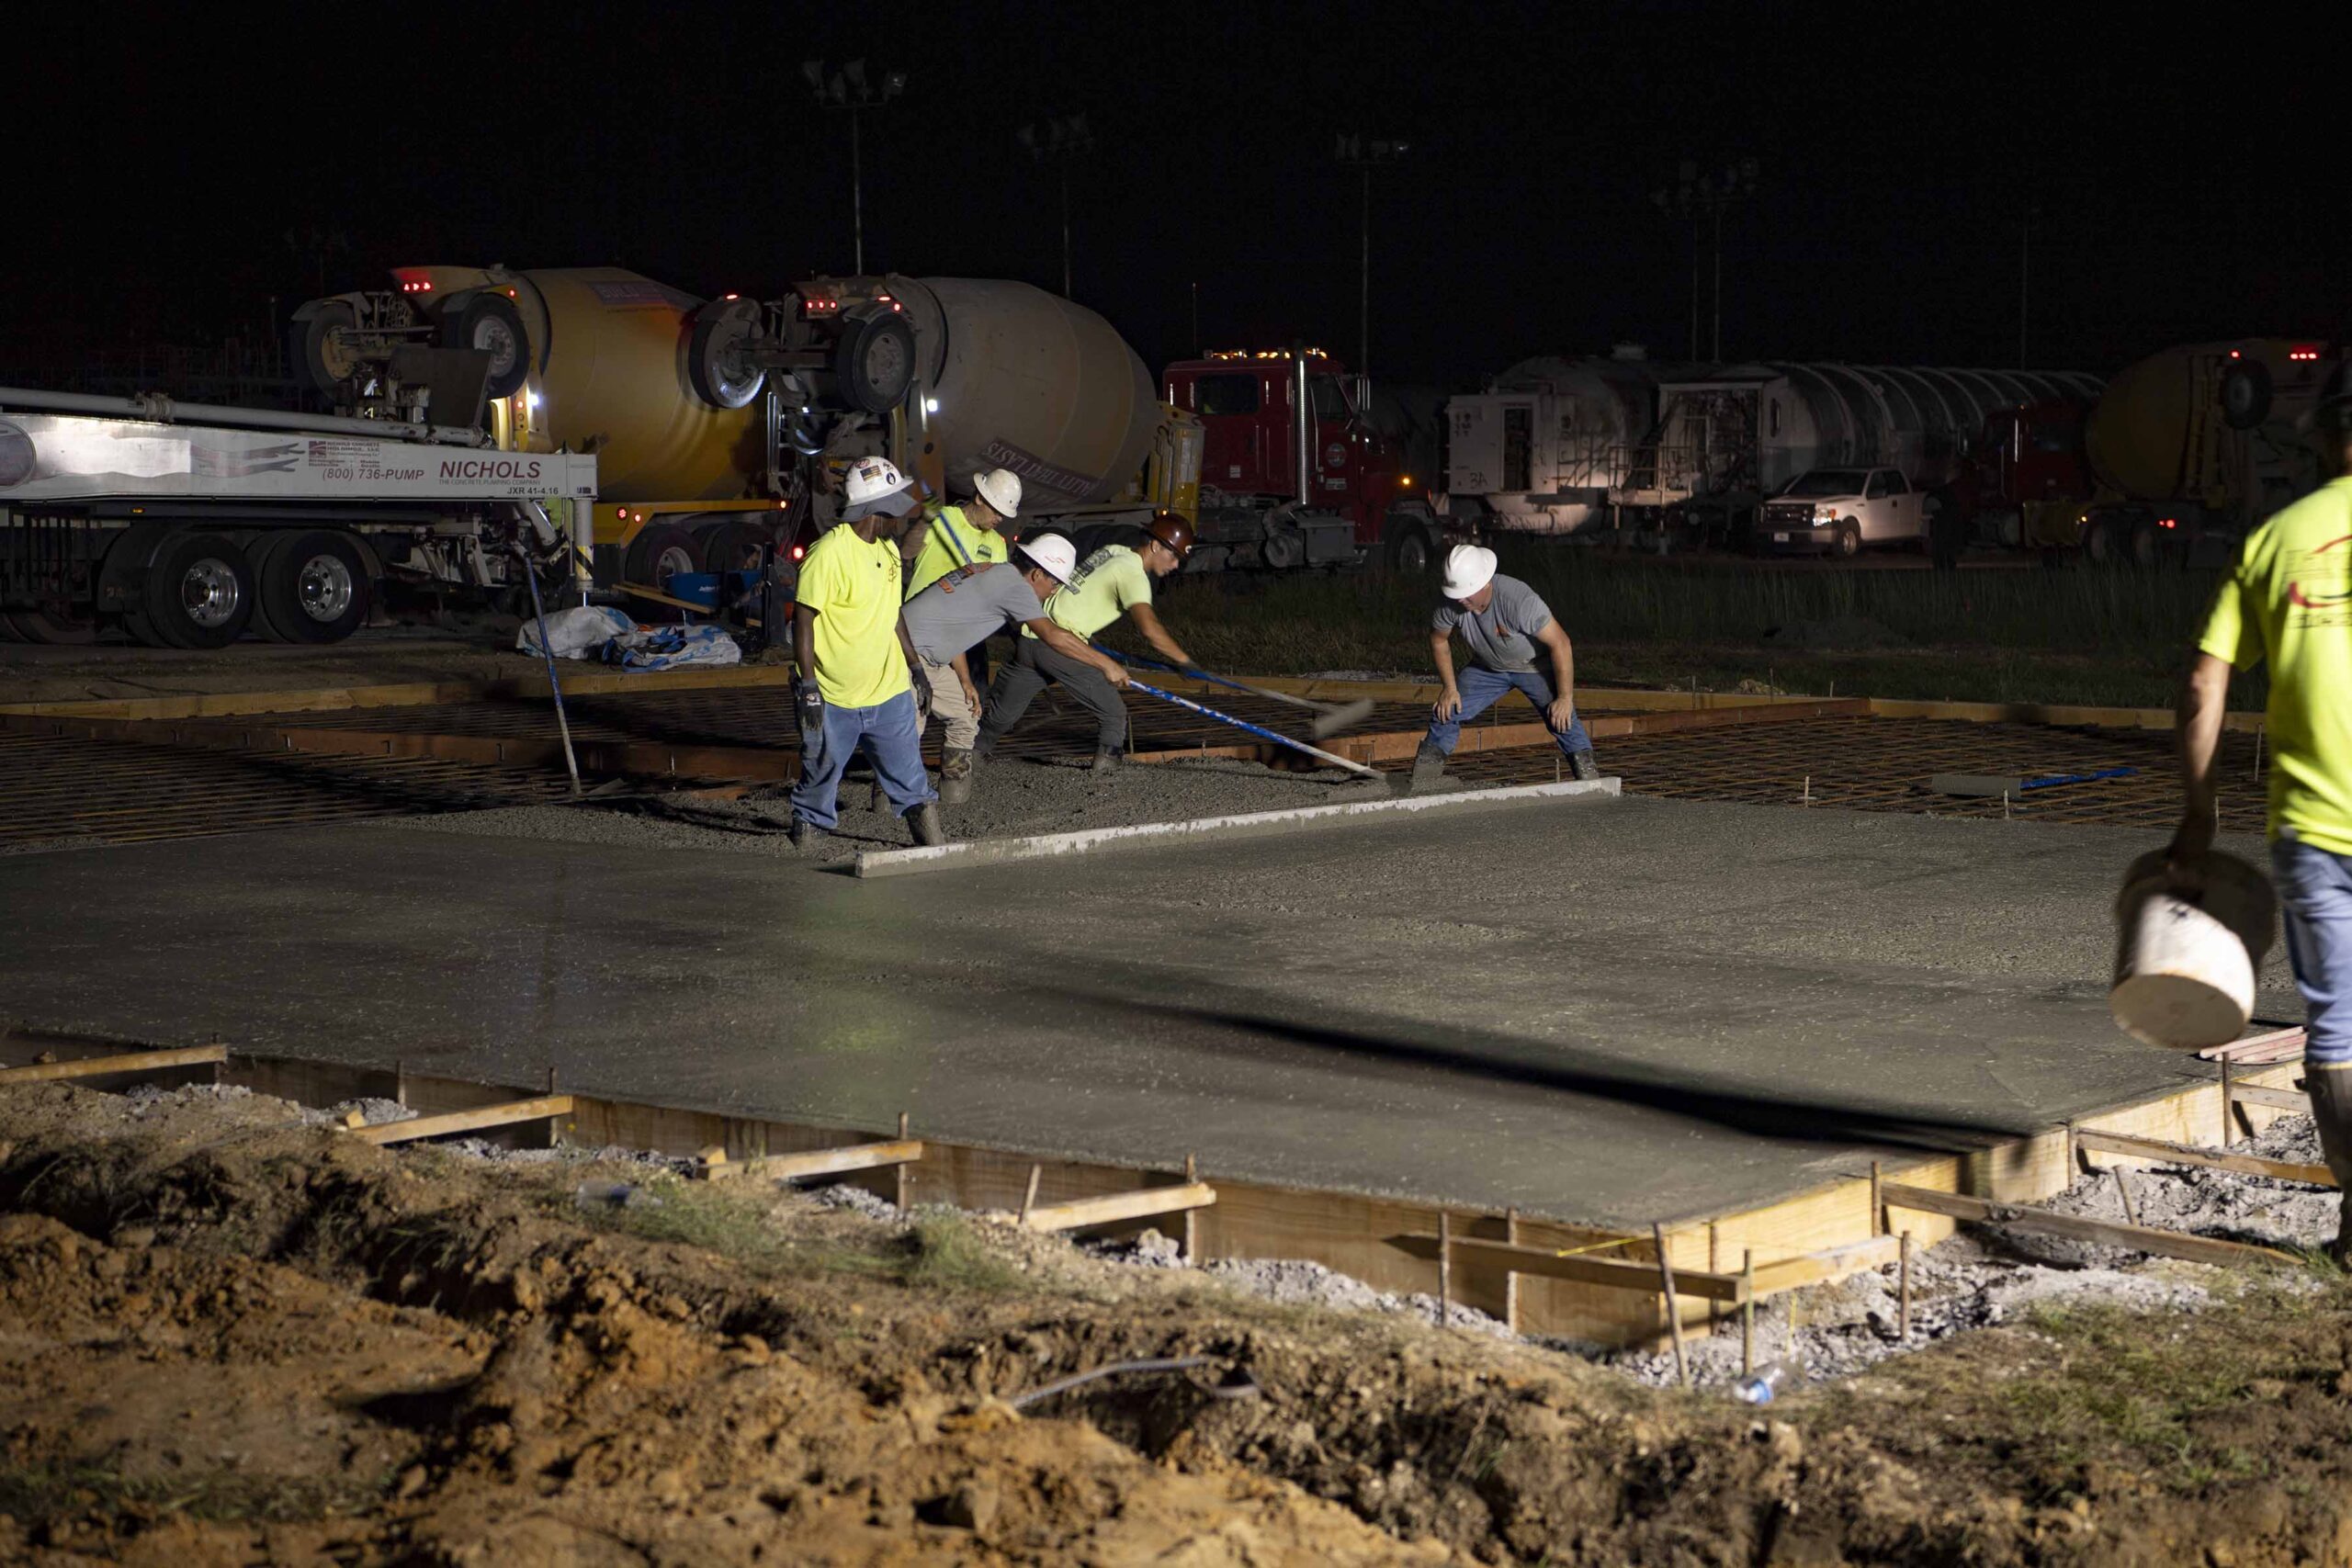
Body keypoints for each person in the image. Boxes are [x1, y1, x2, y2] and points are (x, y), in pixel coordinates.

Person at [2169, 361, 2352, 1259]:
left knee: (2339, 1028)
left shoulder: (2277, 537)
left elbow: (2205, 679)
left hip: (2315, 832)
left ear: (2323, 438)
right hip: (2314, 835)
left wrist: (2198, 812)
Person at [901, 533, 1129, 803]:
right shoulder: (1015, 588)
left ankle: (953, 801)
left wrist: (964, 679)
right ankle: (896, 805)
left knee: (965, 715)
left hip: (929, 655)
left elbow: (956, 628)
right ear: (1037, 575)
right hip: (904, 653)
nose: (1055, 590)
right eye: (1054, 582)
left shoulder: (993, 572)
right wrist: (1106, 664)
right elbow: (1053, 635)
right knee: (905, 733)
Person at [788, 456, 944, 850]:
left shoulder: (889, 552)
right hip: (832, 694)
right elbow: (803, 620)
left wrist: (915, 667)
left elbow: (893, 614)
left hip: (887, 692)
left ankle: (934, 848)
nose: (903, 510)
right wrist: (808, 686)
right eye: (897, 500)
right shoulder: (828, 554)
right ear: (879, 507)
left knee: (912, 779)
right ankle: (804, 843)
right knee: (819, 777)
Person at [975, 511, 1200, 773]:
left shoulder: (1115, 551)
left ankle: (970, 755)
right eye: (1173, 556)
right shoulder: (1133, 574)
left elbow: (1082, 594)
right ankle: (1106, 776)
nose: (1174, 566)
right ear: (1155, 545)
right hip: (1058, 645)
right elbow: (1150, 630)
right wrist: (1184, 660)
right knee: (1114, 714)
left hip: (1031, 636)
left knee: (1002, 715)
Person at [1410, 544, 1600, 791]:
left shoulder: (1519, 600)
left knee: (1561, 718)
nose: (1462, 600)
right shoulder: (1451, 603)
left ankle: (1591, 784)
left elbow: (1561, 643)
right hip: (1487, 668)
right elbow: (1438, 639)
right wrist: (1449, 687)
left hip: (1534, 667)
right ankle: (1423, 783)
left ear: (1486, 582)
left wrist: (1565, 697)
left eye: (1468, 593)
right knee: (1446, 711)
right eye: (1458, 594)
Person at [903, 468, 1021, 600]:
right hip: (919, 615)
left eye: (1003, 515)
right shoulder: (941, 518)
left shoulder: (997, 544)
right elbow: (907, 553)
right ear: (980, 499)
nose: (999, 518)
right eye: (996, 511)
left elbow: (997, 591)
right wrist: (925, 521)